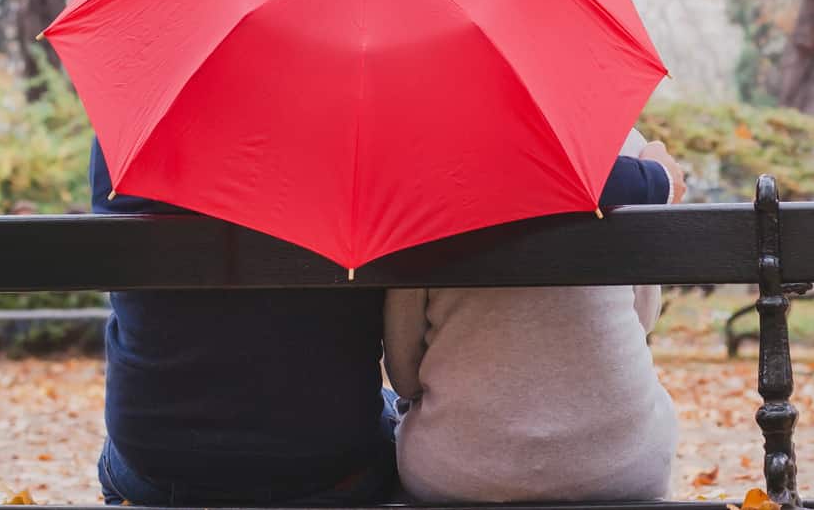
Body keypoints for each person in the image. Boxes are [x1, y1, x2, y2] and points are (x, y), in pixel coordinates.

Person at [92, 138, 686, 506]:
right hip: (329, 471)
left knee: (119, 450)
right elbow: (508, 175)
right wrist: (654, 177)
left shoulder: (125, 138)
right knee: (380, 415)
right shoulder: (352, 130)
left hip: (159, 464)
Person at [382, 140, 686, 503]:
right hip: (626, 465)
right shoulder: (622, 146)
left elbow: (403, 374)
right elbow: (643, 319)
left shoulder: (419, 169)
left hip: (457, 473)